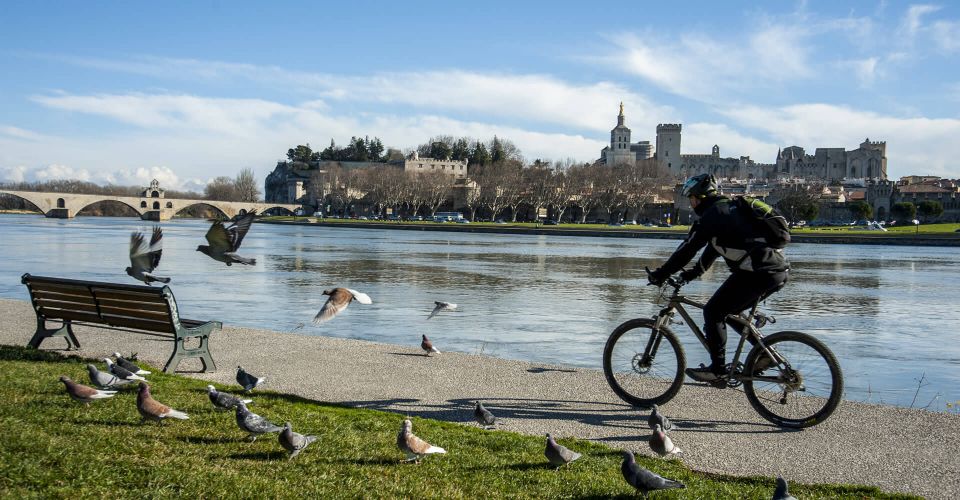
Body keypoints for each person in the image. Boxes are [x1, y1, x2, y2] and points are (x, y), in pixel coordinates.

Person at [647, 174, 790, 383]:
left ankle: (718, 369)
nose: (691, 203)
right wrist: (688, 276)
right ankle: (766, 354)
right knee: (730, 312)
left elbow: (687, 249)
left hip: (757, 272)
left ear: (699, 197)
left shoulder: (711, 216)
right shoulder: (728, 212)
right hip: (776, 271)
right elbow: (710, 254)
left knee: (713, 312)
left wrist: (661, 274)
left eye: (691, 198)